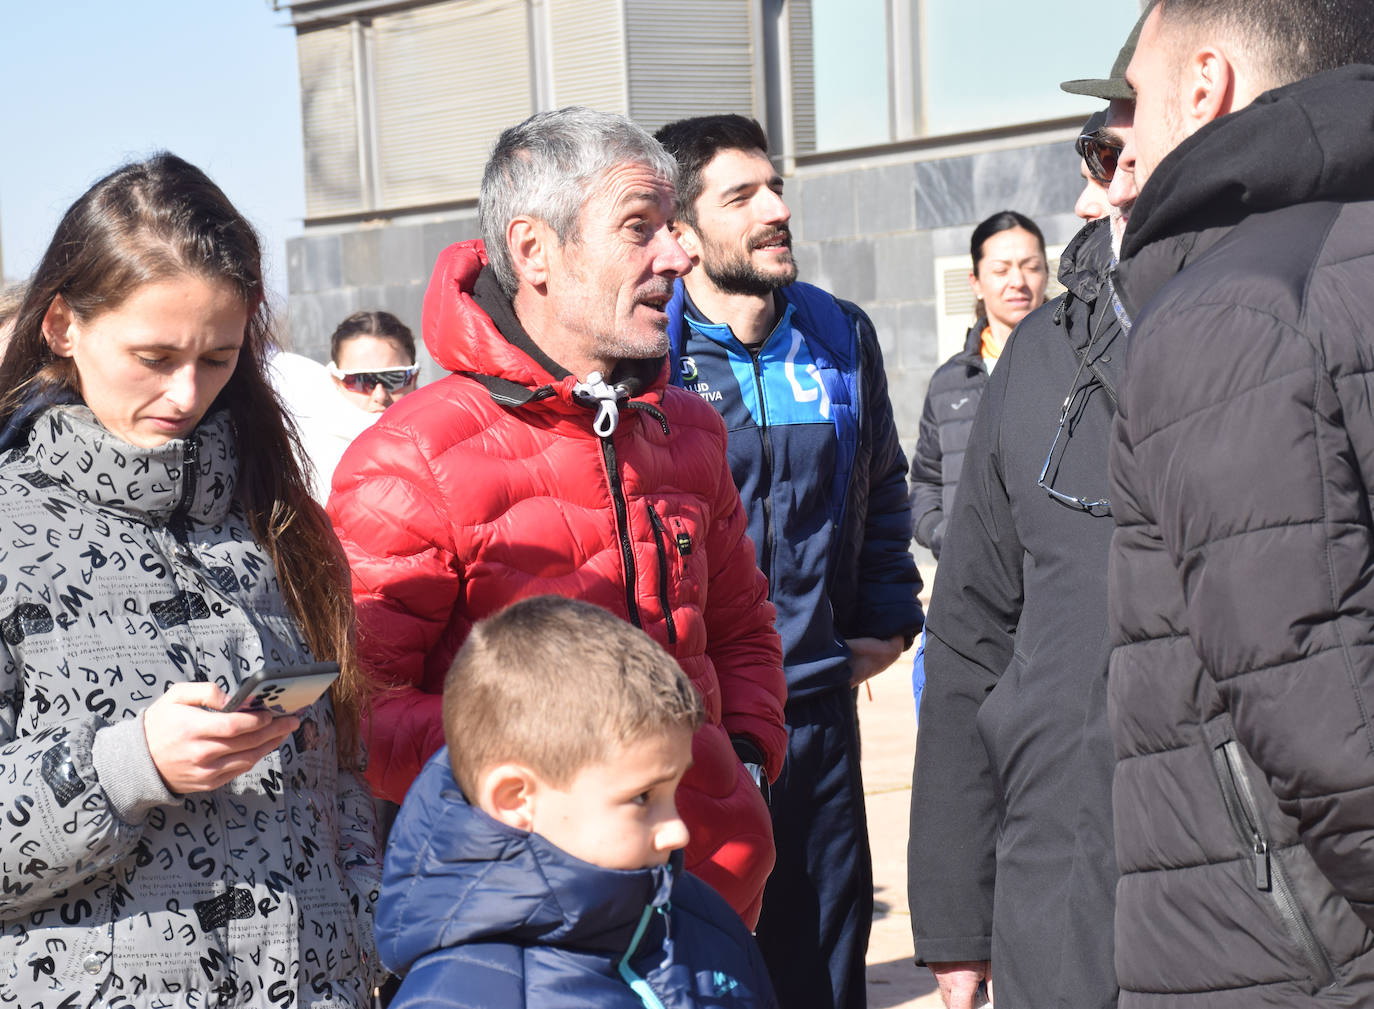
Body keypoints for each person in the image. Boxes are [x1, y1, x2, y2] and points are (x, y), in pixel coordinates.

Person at [329, 107, 787, 927]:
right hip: (524, 920)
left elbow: (743, 628)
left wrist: (741, 764)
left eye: (675, 226)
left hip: (708, 902)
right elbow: (359, 709)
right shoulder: (411, 458)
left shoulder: (687, 428)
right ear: (535, 250)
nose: (678, 256)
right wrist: (564, 770)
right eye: (640, 228)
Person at [0, 154, 380, 1006]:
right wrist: (128, 765)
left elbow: (341, 772)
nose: (185, 392)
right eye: (154, 354)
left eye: (217, 357)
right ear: (63, 325)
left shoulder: (274, 513)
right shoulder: (9, 529)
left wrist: (364, 907)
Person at [1104, 1, 1374, 1004]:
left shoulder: (1233, 307)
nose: (1126, 153)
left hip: (1292, 955)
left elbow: (1315, 700)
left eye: (1136, 98)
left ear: (1204, 84)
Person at [654, 113, 922, 1009]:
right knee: (711, 966)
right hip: (699, 722)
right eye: (743, 196)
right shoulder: (651, 358)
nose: (777, 208)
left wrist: (886, 612)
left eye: (776, 187)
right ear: (682, 232)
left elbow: (883, 478)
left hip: (817, 705)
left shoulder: (839, 334)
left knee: (826, 968)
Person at [907, 19, 1144, 1009]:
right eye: (1095, 153)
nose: (1098, 187)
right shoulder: (1030, 362)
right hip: (1062, 894)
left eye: (1116, 152)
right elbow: (969, 638)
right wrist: (958, 919)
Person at [376, 595, 780, 1009]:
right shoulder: (455, 997)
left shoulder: (708, 922)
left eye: (672, 789)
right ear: (515, 798)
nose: (678, 828)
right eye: (642, 797)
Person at [908, 211, 1048, 560]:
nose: (1018, 281)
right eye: (1001, 270)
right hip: (972, 579)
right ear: (976, 282)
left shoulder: (1076, 363)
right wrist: (944, 535)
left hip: (1052, 573)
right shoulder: (949, 382)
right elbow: (925, 482)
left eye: (1031, 266)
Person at [273, 310, 420, 502]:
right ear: (336, 379)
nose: (380, 395)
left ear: (414, 376)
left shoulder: (443, 439)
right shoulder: (303, 453)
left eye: (394, 378)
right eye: (359, 380)